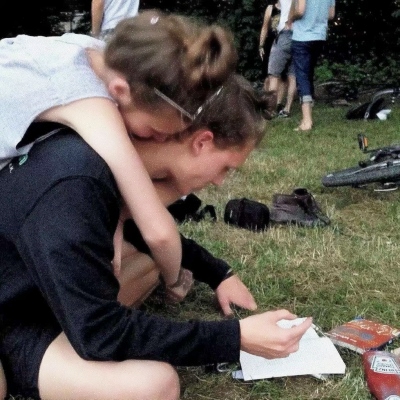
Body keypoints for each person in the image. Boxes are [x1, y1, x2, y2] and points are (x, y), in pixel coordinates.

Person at [0, 74, 312, 400]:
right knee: (155, 385)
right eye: (225, 168)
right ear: (202, 142)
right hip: (16, 321)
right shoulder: (77, 183)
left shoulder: (110, 159)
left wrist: (218, 273)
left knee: (151, 263)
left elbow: (141, 231)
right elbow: (100, 334)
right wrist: (235, 337)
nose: (220, 182)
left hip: (45, 295)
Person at [0, 10, 238, 300]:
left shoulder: (101, 54)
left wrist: (116, 221)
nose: (160, 140)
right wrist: (175, 281)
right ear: (121, 91)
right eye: (154, 131)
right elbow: (158, 232)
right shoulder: (89, 103)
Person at [289, 0, 336, 131]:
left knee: (302, 76)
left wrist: (290, 18)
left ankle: (307, 121)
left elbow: (300, 11)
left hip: (302, 36)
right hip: (319, 36)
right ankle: (308, 109)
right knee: (308, 73)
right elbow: (331, 14)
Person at [266, 0, 297, 118]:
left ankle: (270, 110)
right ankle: (287, 109)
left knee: (274, 75)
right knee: (292, 76)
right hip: (299, 35)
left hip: (285, 34)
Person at [259, 0, 280, 88]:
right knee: (268, 72)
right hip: (271, 42)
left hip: (284, 40)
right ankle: (266, 93)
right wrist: (261, 45)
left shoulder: (290, 7)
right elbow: (265, 27)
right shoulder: (271, 8)